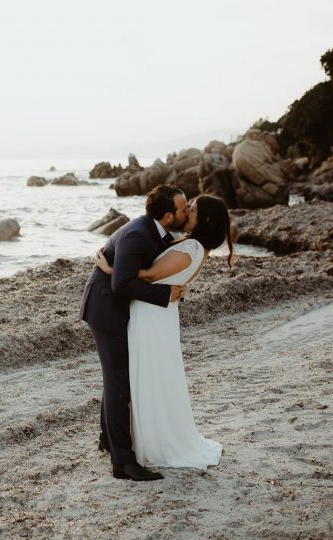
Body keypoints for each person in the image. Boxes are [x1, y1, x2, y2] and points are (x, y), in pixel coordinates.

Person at [95, 194, 234, 469]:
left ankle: (144, 439)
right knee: (145, 376)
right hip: (156, 314)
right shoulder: (192, 245)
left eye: (191, 209)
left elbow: (146, 274)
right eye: (187, 207)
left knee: (146, 376)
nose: (186, 212)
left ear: (203, 219)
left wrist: (109, 268)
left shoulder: (192, 248)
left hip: (151, 318)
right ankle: (114, 437)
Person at [79, 185, 189, 481]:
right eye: (184, 209)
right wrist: (166, 294)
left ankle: (107, 439)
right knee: (119, 384)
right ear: (168, 216)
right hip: (105, 309)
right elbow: (121, 284)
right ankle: (122, 463)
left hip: (113, 307)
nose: (187, 212)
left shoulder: (157, 232)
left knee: (117, 379)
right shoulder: (138, 234)